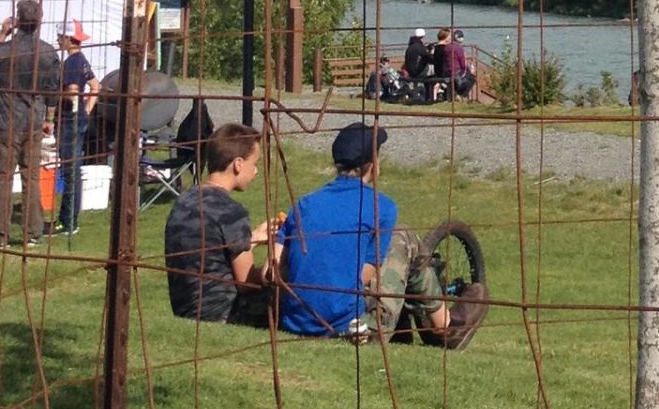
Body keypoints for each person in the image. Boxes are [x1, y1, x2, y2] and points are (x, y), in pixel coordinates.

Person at [275, 123, 449, 341]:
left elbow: (275, 268)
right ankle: (443, 324)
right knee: (404, 238)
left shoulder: (304, 204)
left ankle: (434, 320)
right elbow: (364, 277)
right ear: (372, 164)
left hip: (295, 323)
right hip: (349, 329)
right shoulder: (382, 207)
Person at [164, 124, 279, 323]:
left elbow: (210, 250)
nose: (256, 171)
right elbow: (246, 282)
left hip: (185, 307)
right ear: (238, 164)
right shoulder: (231, 212)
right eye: (255, 163)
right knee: (291, 297)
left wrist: (250, 239)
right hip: (222, 311)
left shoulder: (184, 201)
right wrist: (276, 268)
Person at [0, 0, 61, 248]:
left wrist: (2, 35)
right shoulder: (48, 52)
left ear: (17, 21)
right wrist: (49, 118)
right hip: (33, 120)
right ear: (39, 21)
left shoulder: (5, 50)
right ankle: (32, 233)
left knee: (2, 178)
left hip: (7, 121)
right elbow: (52, 90)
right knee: (32, 178)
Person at [56, 24, 96, 231]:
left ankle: (69, 221)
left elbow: (72, 93)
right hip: (80, 118)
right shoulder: (82, 60)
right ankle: (67, 217)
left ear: (69, 39)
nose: (57, 40)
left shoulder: (71, 63)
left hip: (70, 120)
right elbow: (95, 87)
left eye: (60, 36)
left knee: (70, 171)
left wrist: (54, 96)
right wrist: (87, 108)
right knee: (73, 169)